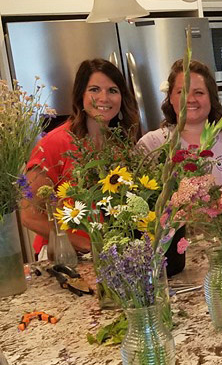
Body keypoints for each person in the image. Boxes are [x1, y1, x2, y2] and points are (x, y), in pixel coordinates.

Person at [21, 58, 141, 254]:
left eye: (112, 90)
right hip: (64, 256)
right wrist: (88, 245)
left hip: (112, 254)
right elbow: (29, 216)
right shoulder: (54, 144)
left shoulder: (121, 146)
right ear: (80, 95)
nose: (104, 98)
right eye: (94, 89)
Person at [138, 59, 222, 185]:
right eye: (182, 92)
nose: (190, 99)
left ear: (211, 98)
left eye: (199, 93)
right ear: (171, 98)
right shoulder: (151, 144)